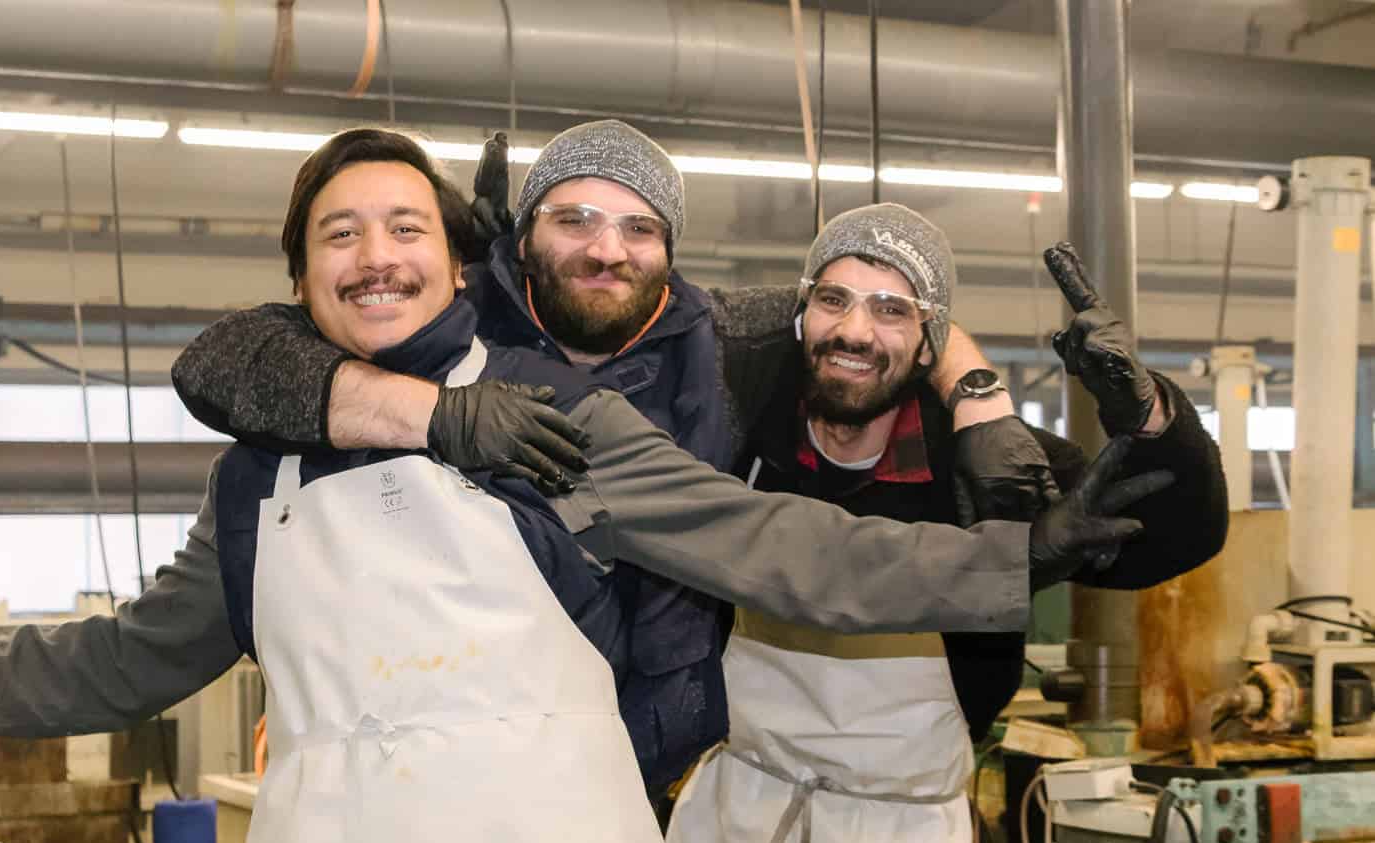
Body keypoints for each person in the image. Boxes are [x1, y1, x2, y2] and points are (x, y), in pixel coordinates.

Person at [0, 131, 1155, 843]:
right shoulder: (260, 478)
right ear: (301, 276)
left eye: (406, 229)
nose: (374, 256)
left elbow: (787, 547)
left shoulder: (561, 424)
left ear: (460, 266)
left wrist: (1020, 555)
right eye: (338, 234)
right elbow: (129, 659)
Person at [170, 119, 1026, 805]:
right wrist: (437, 410)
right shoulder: (456, 317)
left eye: (639, 227)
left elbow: (886, 307)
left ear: (669, 251)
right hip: (441, 756)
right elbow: (225, 358)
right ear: (523, 236)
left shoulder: (725, 340)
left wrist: (980, 400)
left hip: (651, 761)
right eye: (573, 218)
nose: (607, 249)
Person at [664, 203, 1228, 843]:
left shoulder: (985, 469)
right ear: (802, 314)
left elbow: (1177, 539)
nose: (855, 331)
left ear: (929, 343)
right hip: (737, 824)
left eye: (892, 310)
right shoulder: (737, 430)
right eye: (834, 300)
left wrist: (1149, 417)